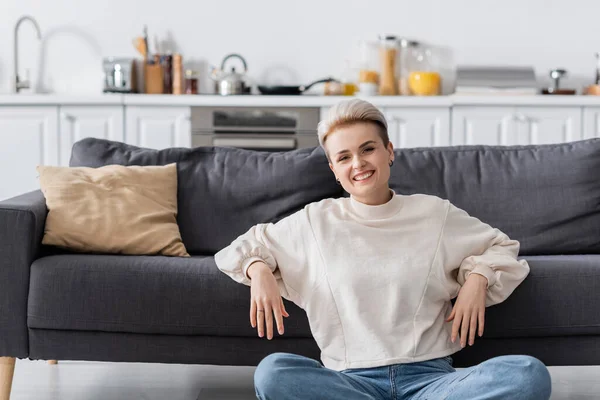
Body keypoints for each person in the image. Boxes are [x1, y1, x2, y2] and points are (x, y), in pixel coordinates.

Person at [214, 99, 552, 400]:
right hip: (348, 384)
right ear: (333, 169)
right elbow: (241, 248)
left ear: (389, 150)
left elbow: (502, 246)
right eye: (343, 157)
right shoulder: (315, 222)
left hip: (432, 383)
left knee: (527, 374)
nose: (357, 163)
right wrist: (258, 269)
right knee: (273, 373)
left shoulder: (434, 213)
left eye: (367, 149)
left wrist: (479, 277)